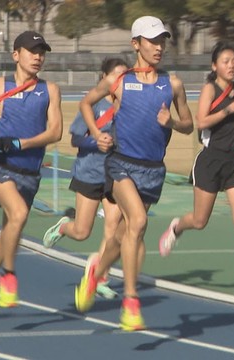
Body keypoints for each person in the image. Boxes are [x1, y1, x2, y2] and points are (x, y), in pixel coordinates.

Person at [73, 16, 194, 331]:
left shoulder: (174, 84)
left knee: (120, 235)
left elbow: (189, 124)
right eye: (152, 41)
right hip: (121, 164)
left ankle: (95, 275)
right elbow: (86, 103)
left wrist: (172, 123)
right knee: (138, 223)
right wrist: (96, 134)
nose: (159, 47)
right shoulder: (120, 81)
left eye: (162, 40)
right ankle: (130, 302)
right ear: (135, 44)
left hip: (153, 170)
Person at [157, 42, 234, 291]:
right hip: (210, 161)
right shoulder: (209, 88)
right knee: (200, 221)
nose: (231, 65)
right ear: (214, 66)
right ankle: (177, 227)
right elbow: (201, 121)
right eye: (225, 61)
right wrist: (227, 110)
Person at [0, 31, 63, 314]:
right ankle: (8, 276)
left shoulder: (50, 90)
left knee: (10, 230)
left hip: (30, 173)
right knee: (19, 215)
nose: (38, 57)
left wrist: (22, 143)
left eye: (42, 52)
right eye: (32, 51)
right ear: (16, 54)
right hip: (1, 169)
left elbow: (55, 132)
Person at [42, 58, 128, 299]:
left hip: (117, 175)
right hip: (90, 172)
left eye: (125, 76)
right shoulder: (95, 104)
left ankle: (100, 276)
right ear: (104, 77)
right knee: (82, 232)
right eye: (117, 75)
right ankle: (63, 227)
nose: (121, 80)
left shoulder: (130, 105)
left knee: (114, 228)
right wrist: (95, 141)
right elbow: (75, 139)